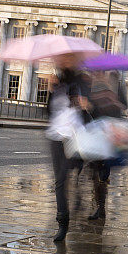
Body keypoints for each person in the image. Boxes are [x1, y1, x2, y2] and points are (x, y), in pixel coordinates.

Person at [46, 58, 90, 242]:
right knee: (60, 180)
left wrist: (86, 106)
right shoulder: (57, 83)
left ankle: (78, 191)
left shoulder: (81, 83)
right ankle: (63, 222)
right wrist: (50, 90)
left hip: (74, 136)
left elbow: (89, 114)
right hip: (56, 136)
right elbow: (49, 112)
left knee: (70, 172)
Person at [86, 71, 125, 221]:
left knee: (102, 175)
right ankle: (99, 206)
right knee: (95, 174)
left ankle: (100, 208)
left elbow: (121, 108)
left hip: (109, 138)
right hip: (96, 136)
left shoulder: (116, 89)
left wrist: (114, 101)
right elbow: (93, 111)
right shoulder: (95, 89)